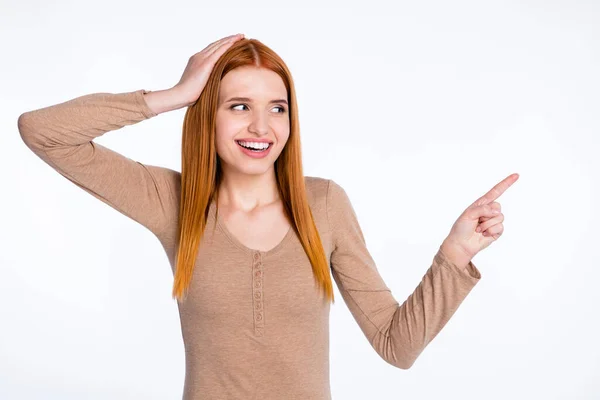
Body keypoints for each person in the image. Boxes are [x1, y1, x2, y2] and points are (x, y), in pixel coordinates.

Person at [18, 33, 518, 399]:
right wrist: (172, 95)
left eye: (277, 108)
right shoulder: (174, 200)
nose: (261, 126)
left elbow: (396, 345)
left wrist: (455, 254)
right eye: (238, 105)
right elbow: (42, 131)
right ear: (207, 111)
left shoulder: (323, 204)